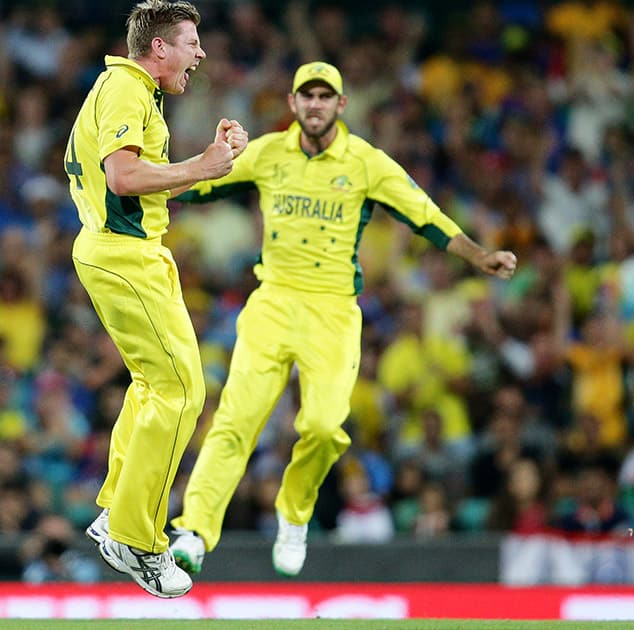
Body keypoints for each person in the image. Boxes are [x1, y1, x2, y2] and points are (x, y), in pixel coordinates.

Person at [167, 61, 517, 577]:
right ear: (292, 104)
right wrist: (140, 184)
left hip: (332, 311)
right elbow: (197, 182)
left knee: (326, 428)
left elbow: (423, 213)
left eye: (324, 96)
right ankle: (194, 530)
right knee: (234, 421)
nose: (314, 104)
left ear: (341, 105)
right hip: (273, 303)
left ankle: (294, 513)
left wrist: (477, 255)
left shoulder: (366, 163)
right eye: (305, 96)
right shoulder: (266, 152)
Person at [65, 0, 247, 599]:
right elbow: (122, 176)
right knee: (182, 391)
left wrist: (212, 163)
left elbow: (135, 179)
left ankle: (118, 510)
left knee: (154, 387)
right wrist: (202, 165)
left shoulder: (132, 90)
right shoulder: (124, 87)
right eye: (191, 42)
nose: (200, 53)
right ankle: (136, 540)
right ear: (159, 47)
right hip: (122, 254)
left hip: (129, 249)